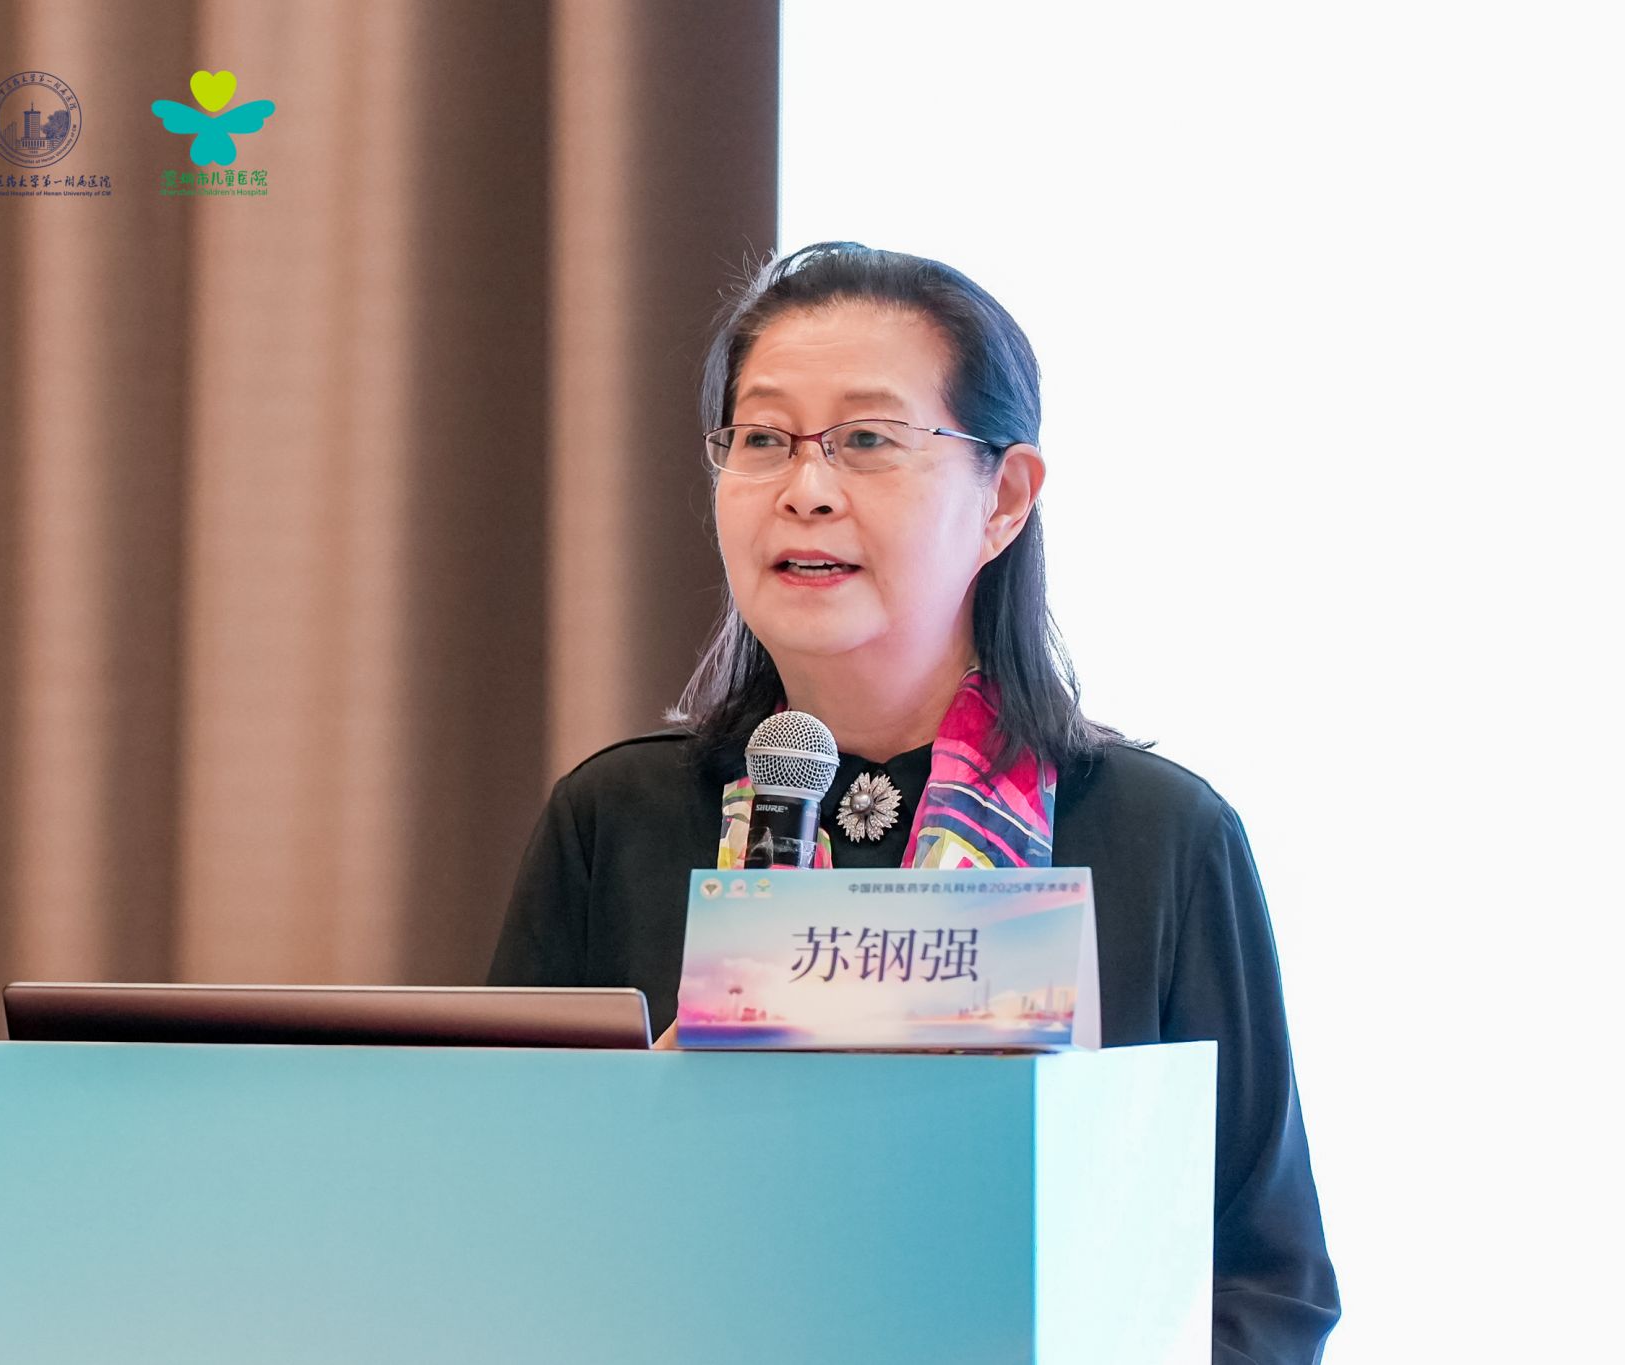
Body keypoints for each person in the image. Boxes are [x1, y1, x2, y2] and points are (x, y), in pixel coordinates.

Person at [489, 241, 1339, 1362]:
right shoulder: (618, 821)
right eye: (762, 439)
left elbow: (1264, 1286)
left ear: (1004, 498)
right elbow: (495, 1225)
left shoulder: (1155, 836)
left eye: (867, 440)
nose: (805, 489)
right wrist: (649, 1137)